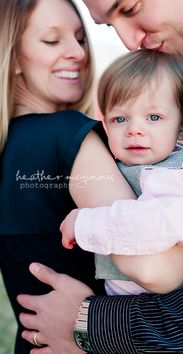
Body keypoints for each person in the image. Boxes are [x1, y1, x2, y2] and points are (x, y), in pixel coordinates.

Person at [17, 0, 183, 353]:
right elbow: (155, 265)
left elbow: (161, 243)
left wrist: (88, 225)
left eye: (130, 8)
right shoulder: (70, 138)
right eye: (51, 40)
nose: (130, 40)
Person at [0, 0, 136, 352]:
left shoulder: (9, 148)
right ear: (13, 57)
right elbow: (148, 262)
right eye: (51, 40)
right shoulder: (67, 136)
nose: (77, 52)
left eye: (79, 38)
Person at [61, 49, 183, 296]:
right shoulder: (117, 164)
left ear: (182, 126)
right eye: (120, 119)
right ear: (106, 126)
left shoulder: (176, 174)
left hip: (166, 309)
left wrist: (87, 223)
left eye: (153, 117)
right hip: (126, 304)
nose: (134, 129)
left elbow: (166, 223)